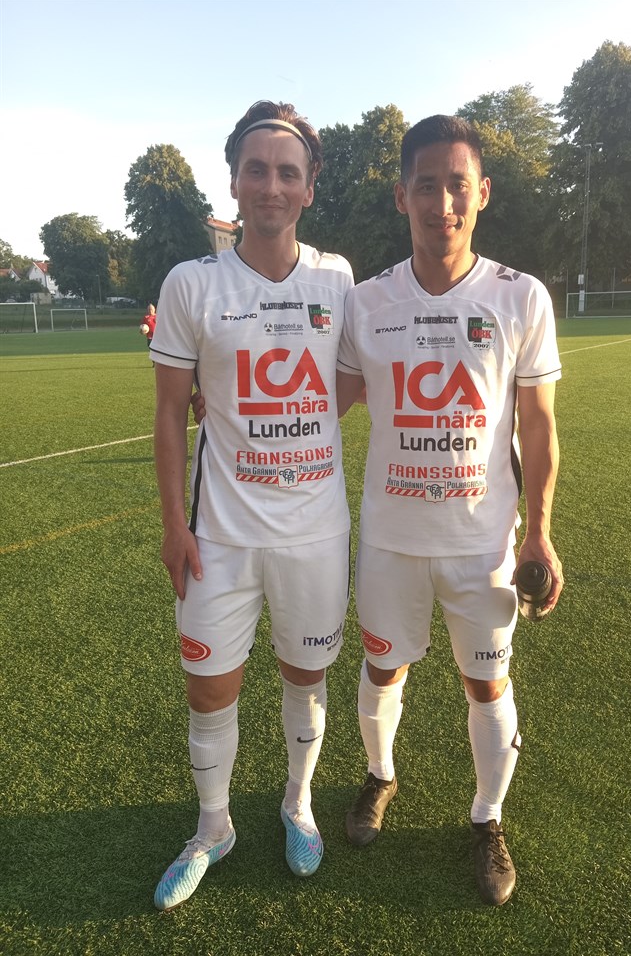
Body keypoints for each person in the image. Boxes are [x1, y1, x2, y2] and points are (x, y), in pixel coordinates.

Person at [335, 114, 563, 906]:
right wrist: (218, 395)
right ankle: (380, 774)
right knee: (382, 665)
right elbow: (326, 395)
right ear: (402, 196)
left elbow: (539, 426)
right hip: (392, 540)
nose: (442, 203)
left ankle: (487, 818)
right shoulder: (367, 302)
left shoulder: (519, 296)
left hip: (483, 544)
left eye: (457, 185)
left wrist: (540, 534)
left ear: (482, 192)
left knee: (487, 686)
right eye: (426, 186)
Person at [150, 100, 353, 911]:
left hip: (315, 530)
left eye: (287, 173)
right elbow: (169, 411)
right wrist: (173, 524)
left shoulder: (338, 280)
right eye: (257, 170)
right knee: (209, 690)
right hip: (218, 536)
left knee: (306, 675)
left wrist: (302, 417)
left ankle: (297, 803)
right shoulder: (192, 283)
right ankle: (214, 828)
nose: (272, 185)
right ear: (234, 181)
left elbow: (357, 376)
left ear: (309, 187)